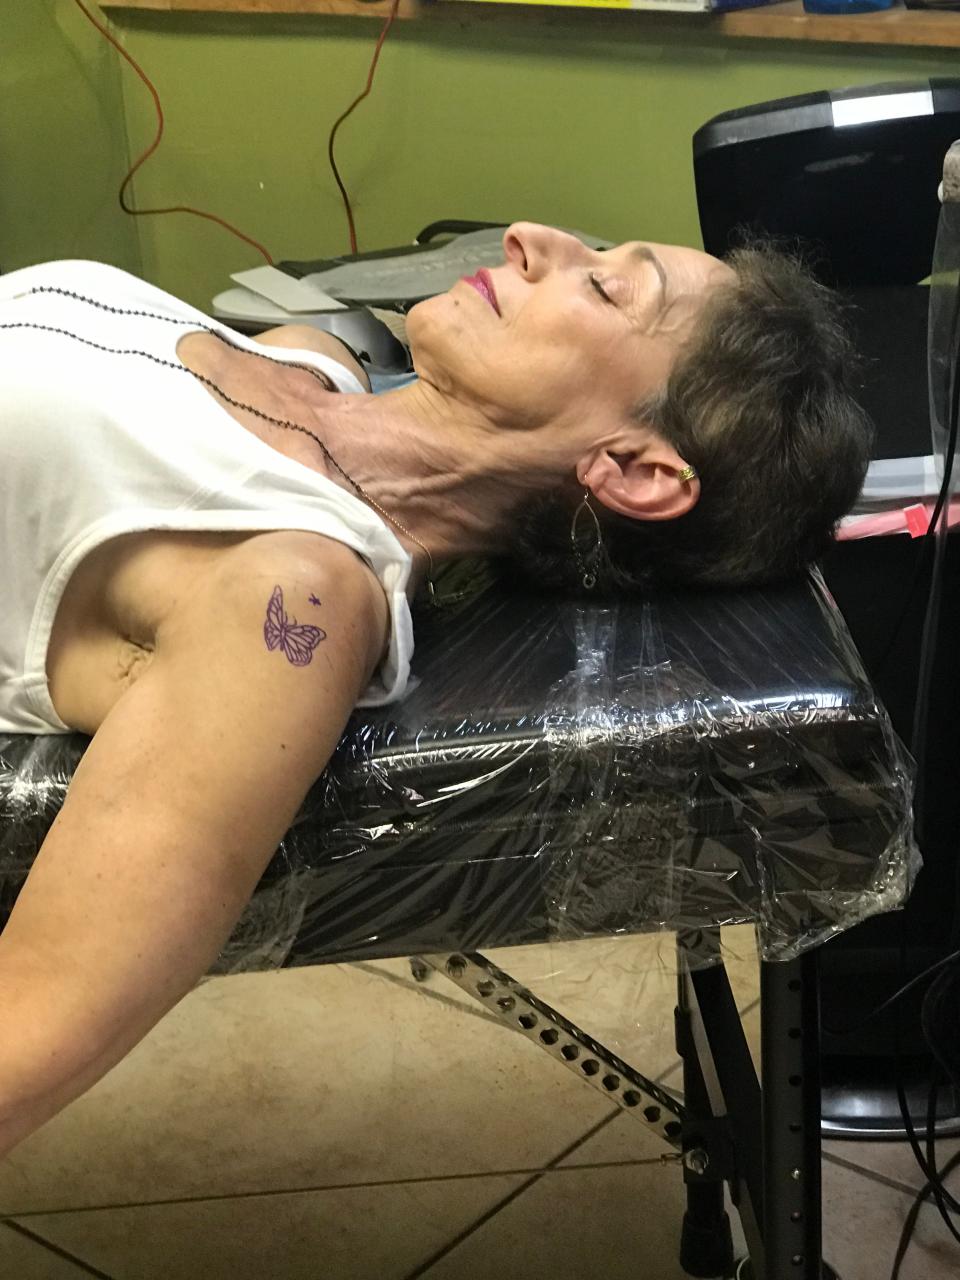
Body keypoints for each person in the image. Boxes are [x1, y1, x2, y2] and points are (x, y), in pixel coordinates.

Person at [0, 223, 871, 1158]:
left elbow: (38, 1015)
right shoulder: (310, 356)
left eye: (611, 288)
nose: (532, 237)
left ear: (635, 470)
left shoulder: (295, 596)